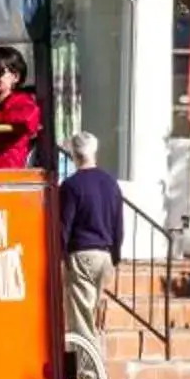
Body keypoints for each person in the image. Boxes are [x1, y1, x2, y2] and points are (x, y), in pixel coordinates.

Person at [56, 131, 121, 345]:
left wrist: (59, 256)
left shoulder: (71, 186)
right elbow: (118, 225)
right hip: (104, 255)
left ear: (74, 154)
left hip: (81, 255)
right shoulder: (111, 183)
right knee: (91, 318)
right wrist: (115, 257)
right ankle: (95, 370)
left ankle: (90, 377)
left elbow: (64, 225)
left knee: (81, 324)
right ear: (94, 152)